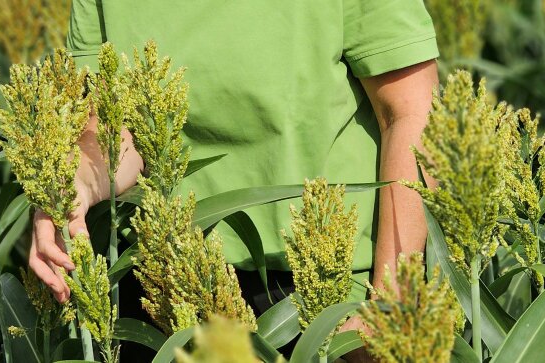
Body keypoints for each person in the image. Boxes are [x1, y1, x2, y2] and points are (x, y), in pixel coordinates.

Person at [28, 0, 439, 361]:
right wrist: (71, 184)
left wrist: (391, 302)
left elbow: (411, 112)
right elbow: (114, 131)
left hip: (320, 292)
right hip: (168, 288)